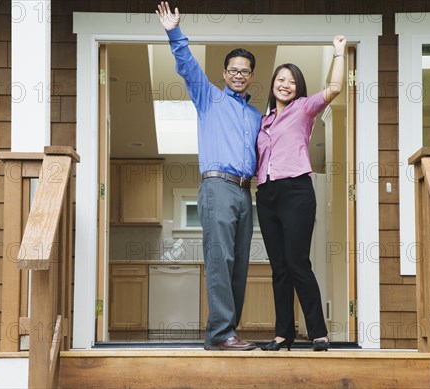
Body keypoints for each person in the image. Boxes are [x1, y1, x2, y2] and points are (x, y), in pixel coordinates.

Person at [156, 2, 261, 351]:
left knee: (239, 264)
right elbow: (188, 68)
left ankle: (229, 330)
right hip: (217, 186)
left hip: (246, 193)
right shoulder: (209, 98)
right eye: (233, 69)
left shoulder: (255, 116)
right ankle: (219, 334)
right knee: (221, 259)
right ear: (225, 72)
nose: (238, 75)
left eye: (245, 71)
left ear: (251, 76)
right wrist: (174, 31)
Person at [256, 36, 346, 352]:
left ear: (298, 88)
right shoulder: (264, 120)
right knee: (278, 267)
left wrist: (338, 53)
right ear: (273, 84)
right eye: (281, 79)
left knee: (297, 263)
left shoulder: (304, 109)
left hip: (296, 191)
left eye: (291, 81)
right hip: (265, 195)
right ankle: (283, 334)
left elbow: (334, 88)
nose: (285, 84)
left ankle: (318, 332)